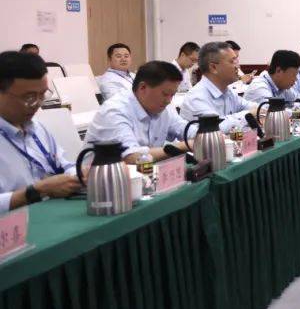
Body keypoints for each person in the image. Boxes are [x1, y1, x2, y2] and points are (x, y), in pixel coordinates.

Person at [0, 51, 82, 213]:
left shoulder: (37, 128)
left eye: (42, 95)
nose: (37, 104)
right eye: (29, 97)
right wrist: (36, 191)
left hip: (50, 213)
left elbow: (64, 165)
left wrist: (77, 175)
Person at [83, 61, 194, 163]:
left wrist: (201, 135)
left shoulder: (163, 107)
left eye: (172, 95)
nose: (168, 101)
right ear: (142, 87)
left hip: (145, 173)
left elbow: (184, 129)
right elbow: (132, 156)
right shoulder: (115, 111)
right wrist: (185, 146)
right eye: (165, 94)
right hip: (101, 176)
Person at [179, 42, 258, 133]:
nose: (238, 66)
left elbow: (251, 106)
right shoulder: (196, 97)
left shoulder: (227, 91)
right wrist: (249, 114)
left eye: (237, 60)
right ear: (213, 67)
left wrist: (259, 109)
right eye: (232, 61)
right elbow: (215, 129)